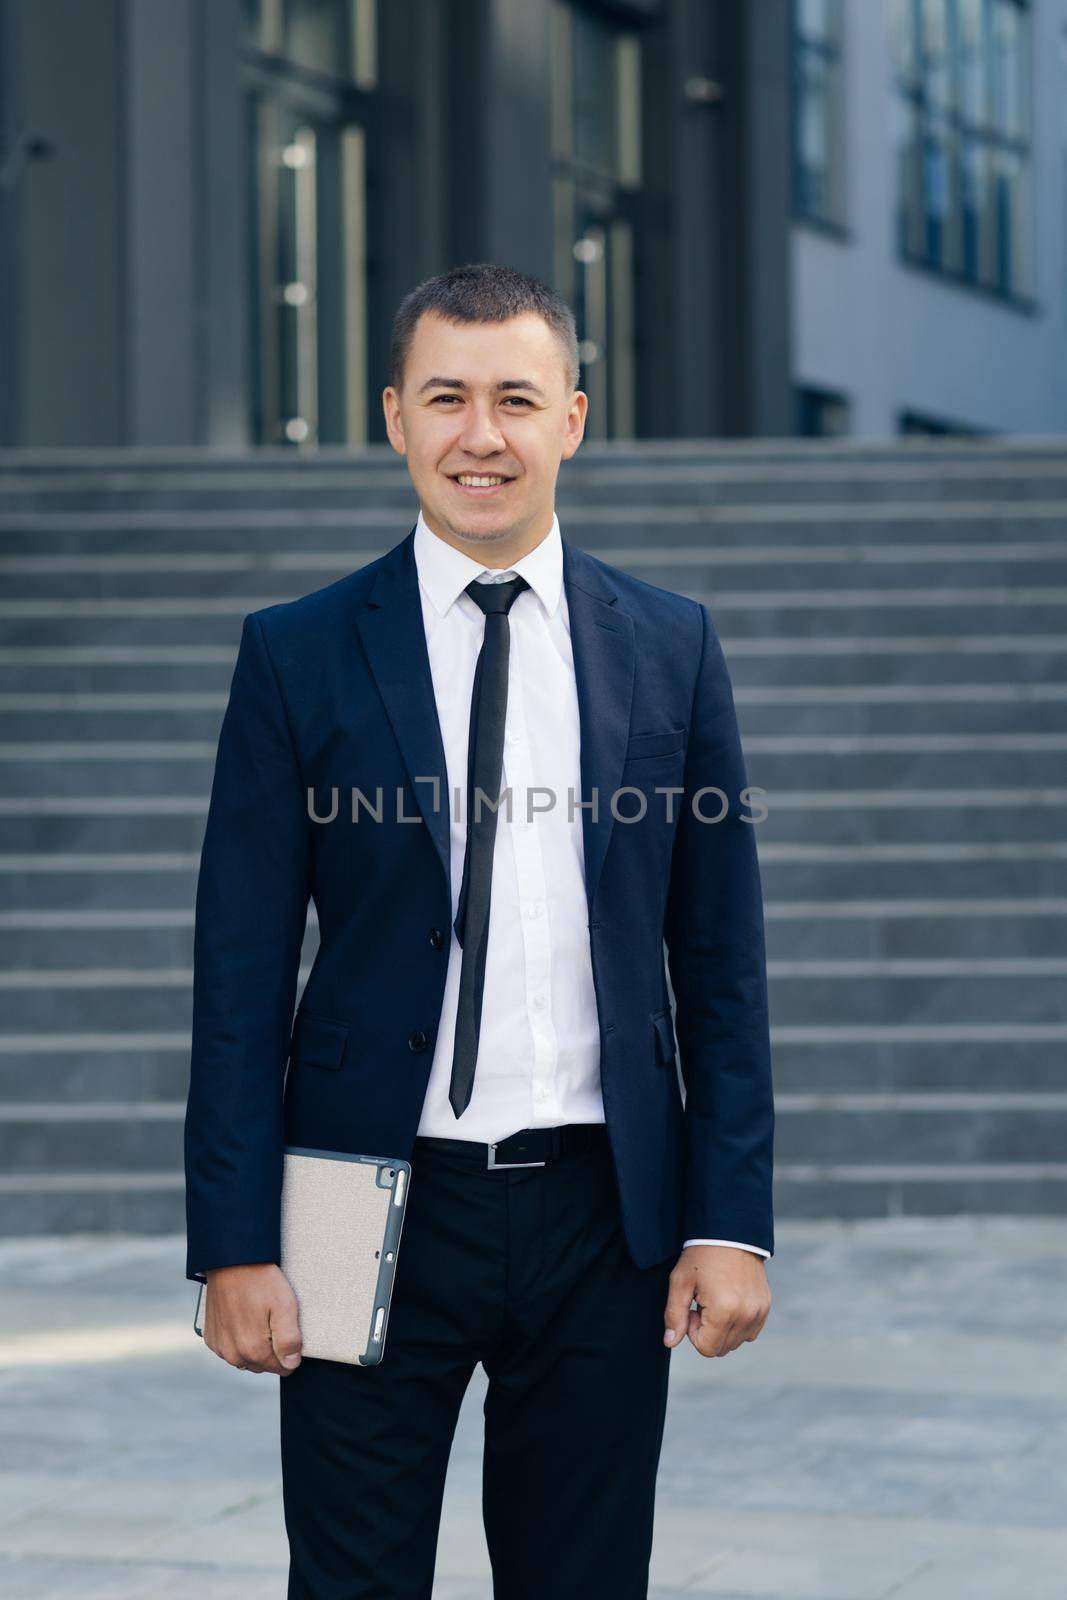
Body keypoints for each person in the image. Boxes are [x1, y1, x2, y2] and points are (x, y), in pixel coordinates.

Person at [184, 262, 774, 1600]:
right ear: (395, 418)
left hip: (600, 1202)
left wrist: (730, 1217)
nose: (482, 435)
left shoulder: (671, 649)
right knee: (348, 1582)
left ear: (573, 415)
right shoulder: (300, 650)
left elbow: (721, 962)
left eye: (516, 397)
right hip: (351, 1190)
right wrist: (232, 1240)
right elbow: (239, 970)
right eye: (447, 397)